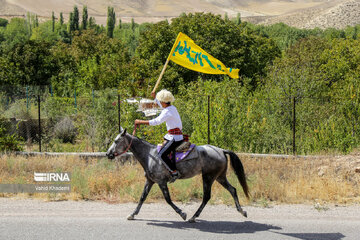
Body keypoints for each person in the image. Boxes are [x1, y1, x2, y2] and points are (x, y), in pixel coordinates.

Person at [134, 89, 183, 182]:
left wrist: (140, 121)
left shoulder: (167, 111)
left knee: (161, 154)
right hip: (174, 136)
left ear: (164, 101)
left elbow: (156, 122)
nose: (159, 103)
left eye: (160, 101)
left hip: (174, 138)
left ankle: (174, 172)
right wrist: (155, 97)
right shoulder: (172, 108)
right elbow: (162, 105)